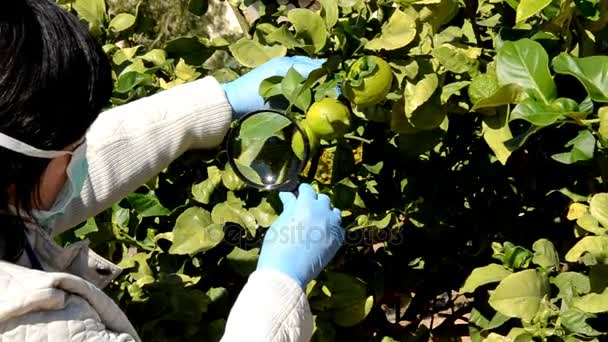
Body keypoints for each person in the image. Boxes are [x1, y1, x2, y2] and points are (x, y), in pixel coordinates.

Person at [0, 1, 345, 341]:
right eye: (75, 149)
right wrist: (280, 286)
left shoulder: (11, 199)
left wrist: (216, 103)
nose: (83, 156)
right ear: (16, 171)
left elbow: (67, 173)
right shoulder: (35, 327)